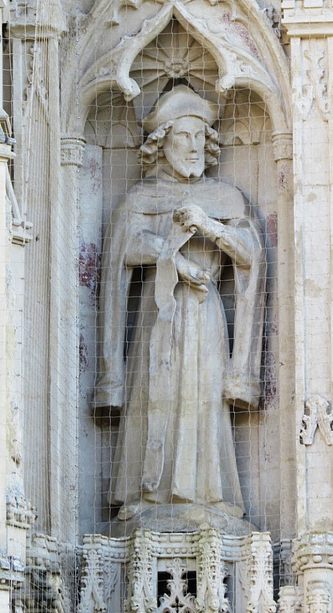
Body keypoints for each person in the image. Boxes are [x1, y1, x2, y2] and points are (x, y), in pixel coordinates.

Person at [94, 86, 266, 521]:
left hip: (206, 317)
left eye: (199, 137)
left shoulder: (225, 199)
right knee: (155, 397)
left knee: (201, 401)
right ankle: (147, 496)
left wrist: (209, 226)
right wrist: (169, 256)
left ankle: (205, 498)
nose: (192, 146)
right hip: (159, 315)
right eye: (182, 136)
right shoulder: (141, 199)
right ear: (162, 143)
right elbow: (119, 254)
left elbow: (249, 256)